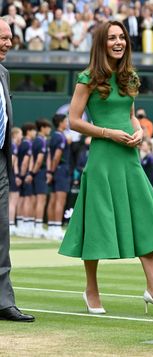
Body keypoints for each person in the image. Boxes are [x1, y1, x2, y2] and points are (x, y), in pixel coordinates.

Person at [59, 20, 153, 314]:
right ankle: (91, 291)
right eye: (112, 37)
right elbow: (73, 122)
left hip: (129, 158)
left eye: (122, 37)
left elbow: (131, 114)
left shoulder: (130, 77)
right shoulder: (88, 78)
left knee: (144, 220)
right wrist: (108, 133)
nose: (118, 42)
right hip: (102, 158)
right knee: (98, 224)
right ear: (101, 43)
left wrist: (140, 131)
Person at [0, 18, 34, 322]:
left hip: (0, 160)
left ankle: (3, 302)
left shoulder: (4, 74)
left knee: (1, 234)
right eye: (2, 38)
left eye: (10, 38)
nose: (8, 43)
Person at [47, 114, 71, 240]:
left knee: (53, 199)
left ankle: (52, 228)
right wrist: (52, 170)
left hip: (55, 171)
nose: (67, 123)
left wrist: (49, 171)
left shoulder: (53, 136)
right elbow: (56, 156)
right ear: (60, 123)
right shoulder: (61, 137)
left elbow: (50, 156)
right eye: (65, 121)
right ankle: (57, 228)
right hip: (61, 171)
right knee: (60, 201)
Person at [32, 118, 52, 238]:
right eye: (48, 127)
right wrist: (34, 173)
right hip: (41, 172)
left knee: (37, 200)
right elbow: (39, 160)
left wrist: (31, 173)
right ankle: (38, 227)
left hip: (36, 173)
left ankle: (35, 226)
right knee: (41, 200)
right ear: (43, 128)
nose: (49, 130)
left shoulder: (36, 140)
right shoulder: (42, 141)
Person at [9, 127, 23, 236]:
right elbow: (12, 162)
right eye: (20, 134)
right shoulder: (12, 145)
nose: (21, 136)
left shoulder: (13, 145)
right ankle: (11, 225)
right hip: (10, 175)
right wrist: (14, 176)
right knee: (12, 201)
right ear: (15, 135)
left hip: (11, 175)